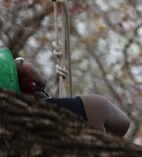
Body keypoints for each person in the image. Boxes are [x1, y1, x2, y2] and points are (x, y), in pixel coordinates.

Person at [0, 47, 130, 137]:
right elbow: (122, 123)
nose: (23, 61)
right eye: (20, 62)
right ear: (27, 82)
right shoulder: (87, 108)